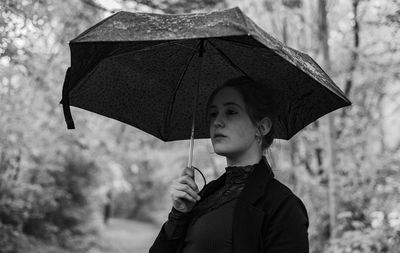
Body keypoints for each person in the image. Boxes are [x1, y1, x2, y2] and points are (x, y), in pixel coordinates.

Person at [149, 77, 309, 253]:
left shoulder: (283, 206)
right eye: (213, 114)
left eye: (231, 112)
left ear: (262, 127)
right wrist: (178, 215)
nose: (217, 121)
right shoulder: (206, 195)